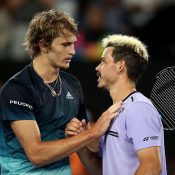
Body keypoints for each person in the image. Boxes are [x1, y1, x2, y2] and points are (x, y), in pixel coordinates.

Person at [0, 9, 121, 175]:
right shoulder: (17, 89)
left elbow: (86, 145)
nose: (72, 51)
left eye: (73, 43)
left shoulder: (72, 84)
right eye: (65, 44)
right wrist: (92, 132)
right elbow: (37, 154)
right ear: (43, 45)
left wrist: (85, 135)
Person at [65, 34, 167, 175]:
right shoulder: (113, 113)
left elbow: (152, 167)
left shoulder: (139, 108)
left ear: (120, 66)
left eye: (103, 62)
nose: (97, 68)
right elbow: (102, 171)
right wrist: (79, 144)